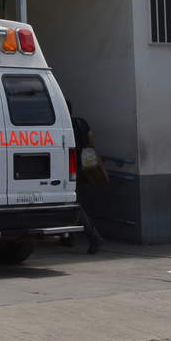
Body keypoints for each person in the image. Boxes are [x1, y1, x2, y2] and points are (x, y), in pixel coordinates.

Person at [67, 102, 106, 254]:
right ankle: (69, 237)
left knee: (75, 205)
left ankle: (94, 237)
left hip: (69, 169)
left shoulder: (63, 125)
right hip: (84, 167)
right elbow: (91, 142)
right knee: (75, 202)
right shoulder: (81, 122)